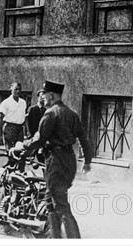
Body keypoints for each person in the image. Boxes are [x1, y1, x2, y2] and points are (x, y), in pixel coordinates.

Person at [24, 81, 92, 239]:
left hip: (56, 161)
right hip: (69, 161)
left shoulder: (51, 113)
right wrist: (87, 161)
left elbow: (40, 139)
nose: (42, 97)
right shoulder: (71, 113)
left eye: (44, 94)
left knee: (60, 203)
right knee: (51, 202)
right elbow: (83, 138)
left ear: (52, 95)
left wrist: (24, 146)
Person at [0, 82, 27, 150]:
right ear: (11, 89)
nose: (18, 91)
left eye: (19, 89)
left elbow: (24, 117)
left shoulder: (23, 102)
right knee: (10, 151)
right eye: (15, 89)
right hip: (10, 128)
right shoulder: (6, 103)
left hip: (20, 129)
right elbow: (0, 118)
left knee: (19, 150)